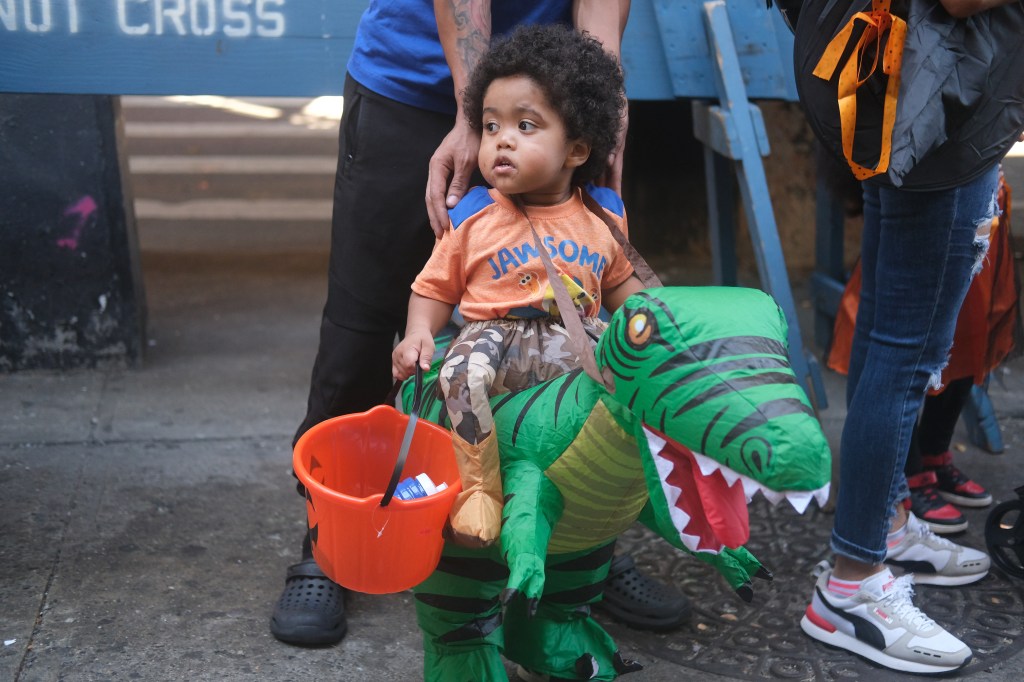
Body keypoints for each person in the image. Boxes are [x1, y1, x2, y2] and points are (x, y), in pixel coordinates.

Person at [270, 0, 690, 647]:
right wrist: (478, 114)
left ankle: (578, 549)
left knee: (577, 378)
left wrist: (606, 102)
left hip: (554, 91)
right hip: (411, 83)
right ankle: (331, 541)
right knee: (363, 323)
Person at [792, 0, 1024, 674]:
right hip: (939, 102)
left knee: (890, 334)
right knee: (909, 346)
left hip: (904, 86)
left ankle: (883, 521)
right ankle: (851, 584)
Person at [391, 22, 646, 550]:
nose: (501, 139)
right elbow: (435, 288)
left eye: (526, 126)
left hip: (576, 335)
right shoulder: (475, 215)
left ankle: (606, 497)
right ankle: (480, 489)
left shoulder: (602, 217)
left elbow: (625, 291)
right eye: (490, 126)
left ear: (576, 150)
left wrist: (652, 336)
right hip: (494, 336)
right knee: (459, 377)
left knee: (631, 386)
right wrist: (418, 333)